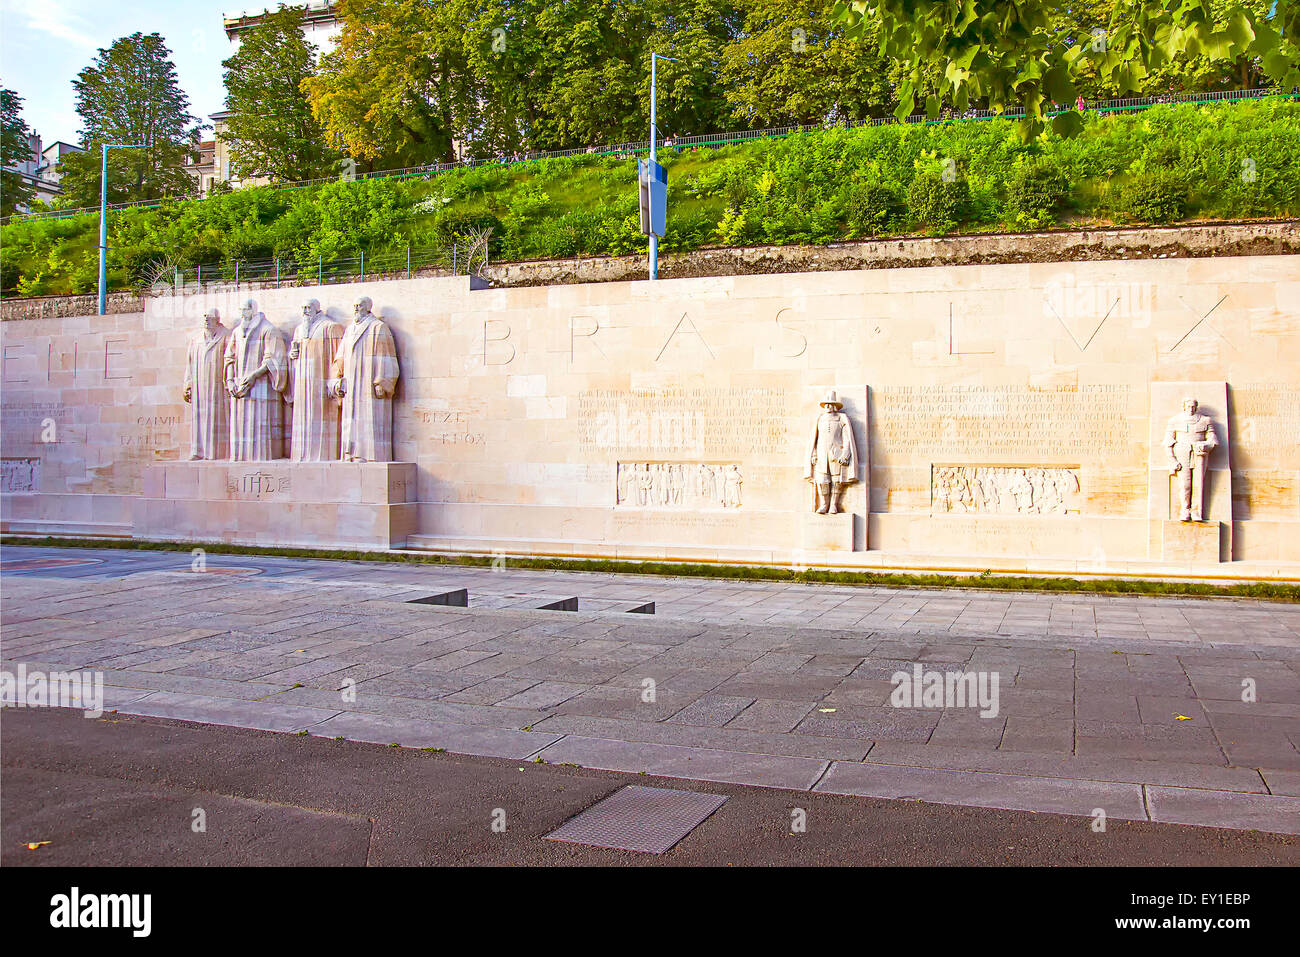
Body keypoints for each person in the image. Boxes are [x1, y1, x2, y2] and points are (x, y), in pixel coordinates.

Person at [331, 297, 400, 462]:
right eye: (354, 305)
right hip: (351, 382)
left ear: (368, 308)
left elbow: (386, 356)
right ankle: (351, 453)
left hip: (368, 381)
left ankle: (370, 456)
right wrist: (337, 378)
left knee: (369, 417)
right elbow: (339, 357)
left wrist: (381, 381)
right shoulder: (349, 330)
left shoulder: (378, 327)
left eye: (360, 305)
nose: (356, 308)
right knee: (351, 419)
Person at [224, 299, 288, 461]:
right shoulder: (237, 332)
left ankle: (260, 459)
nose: (242, 313)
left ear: (253, 310)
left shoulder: (268, 329)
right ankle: (239, 458)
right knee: (240, 426)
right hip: (239, 386)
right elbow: (229, 358)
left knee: (259, 427)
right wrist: (230, 380)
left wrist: (254, 376)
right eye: (241, 310)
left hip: (261, 386)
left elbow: (273, 358)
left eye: (245, 309)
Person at [183, 308, 230, 460]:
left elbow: (231, 360)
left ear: (217, 319)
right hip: (199, 385)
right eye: (204, 317)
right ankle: (198, 451)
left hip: (217, 385)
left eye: (209, 317)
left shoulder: (226, 336)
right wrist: (188, 383)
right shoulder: (196, 340)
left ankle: (215, 452)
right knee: (199, 416)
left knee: (216, 417)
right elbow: (189, 363)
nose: (206, 320)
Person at [1164, 397, 1219, 521]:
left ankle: (1196, 511)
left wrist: (1207, 445)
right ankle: (1185, 510)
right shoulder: (1175, 420)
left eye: (1193, 406)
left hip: (1199, 453)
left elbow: (1213, 438)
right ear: (1184, 406)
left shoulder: (1205, 420)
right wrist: (1172, 459)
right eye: (1188, 406)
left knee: (1198, 483)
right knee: (1185, 484)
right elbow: (1168, 442)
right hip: (1182, 452)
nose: (1191, 409)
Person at [804, 391, 859, 514]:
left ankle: (833, 504)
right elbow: (814, 438)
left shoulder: (841, 418)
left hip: (836, 453)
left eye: (831, 404)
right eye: (826, 404)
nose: (828, 407)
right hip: (822, 453)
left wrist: (845, 452)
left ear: (835, 406)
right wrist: (813, 453)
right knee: (822, 480)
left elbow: (847, 438)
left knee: (837, 480)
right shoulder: (820, 419)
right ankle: (824, 504)